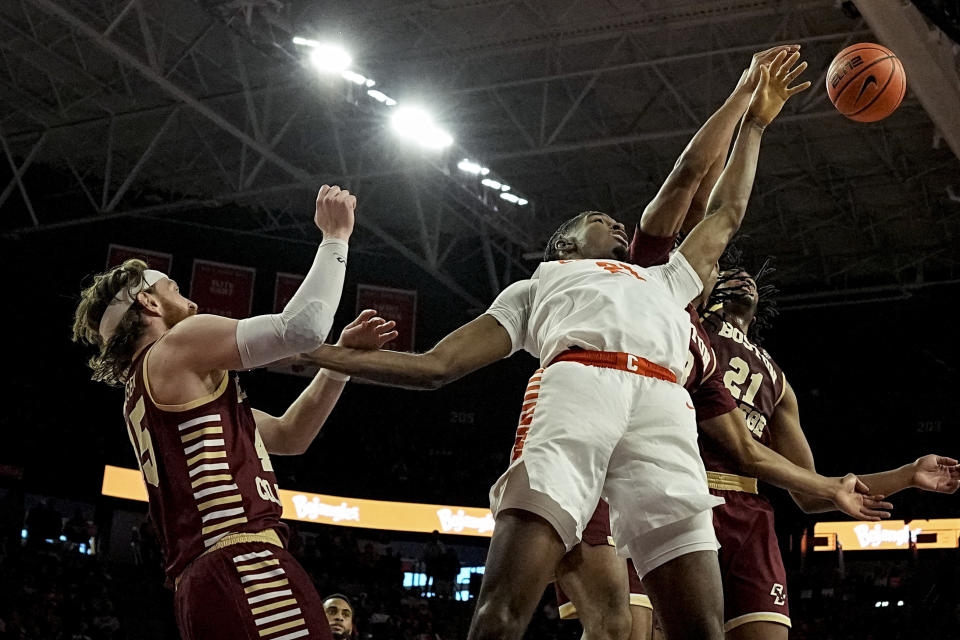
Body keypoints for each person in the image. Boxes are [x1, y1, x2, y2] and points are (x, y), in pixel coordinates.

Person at [303, 52, 810, 640]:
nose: (618, 225)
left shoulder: (665, 278)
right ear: (562, 245)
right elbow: (434, 366)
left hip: (664, 410)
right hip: (578, 392)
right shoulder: (539, 284)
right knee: (502, 612)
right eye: (599, 218)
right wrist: (314, 353)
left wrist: (755, 122)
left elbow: (727, 212)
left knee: (700, 628)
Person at [71, 185, 397, 640]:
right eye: (173, 288)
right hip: (242, 562)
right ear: (148, 303)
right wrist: (336, 237)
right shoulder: (175, 346)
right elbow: (300, 327)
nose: (192, 301)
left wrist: (340, 363)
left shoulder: (154, 394)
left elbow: (289, 435)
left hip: (201, 583)